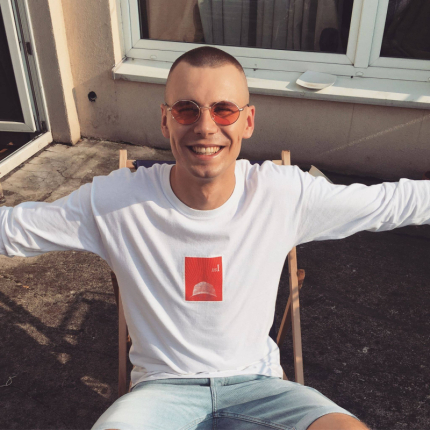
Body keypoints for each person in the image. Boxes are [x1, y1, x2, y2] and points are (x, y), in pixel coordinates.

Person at [1, 46, 429, 430]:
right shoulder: (115, 201)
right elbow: (14, 230)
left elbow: (390, 203)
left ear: (248, 121)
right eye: (186, 110)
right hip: (161, 391)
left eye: (224, 110)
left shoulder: (282, 194)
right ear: (165, 119)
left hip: (261, 388)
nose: (205, 127)